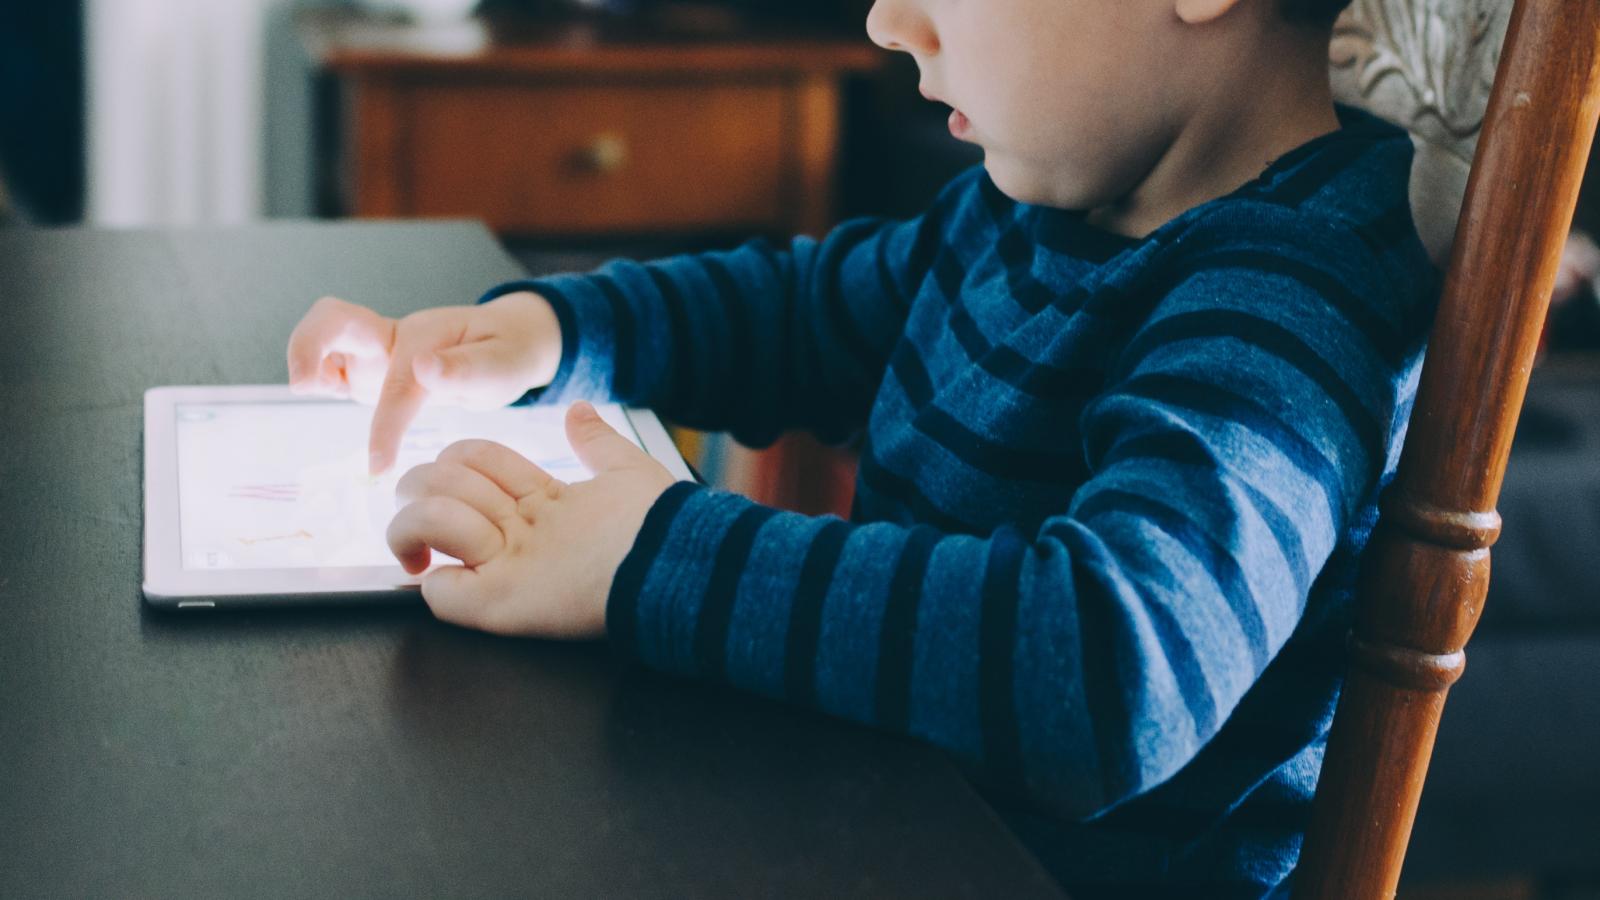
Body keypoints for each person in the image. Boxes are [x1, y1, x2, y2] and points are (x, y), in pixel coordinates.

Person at [286, 0, 1437, 894]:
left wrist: (651, 549)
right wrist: (549, 332)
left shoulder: (1288, 297)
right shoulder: (1035, 212)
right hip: (884, 824)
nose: (889, 22)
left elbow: (1111, 669)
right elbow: (800, 313)